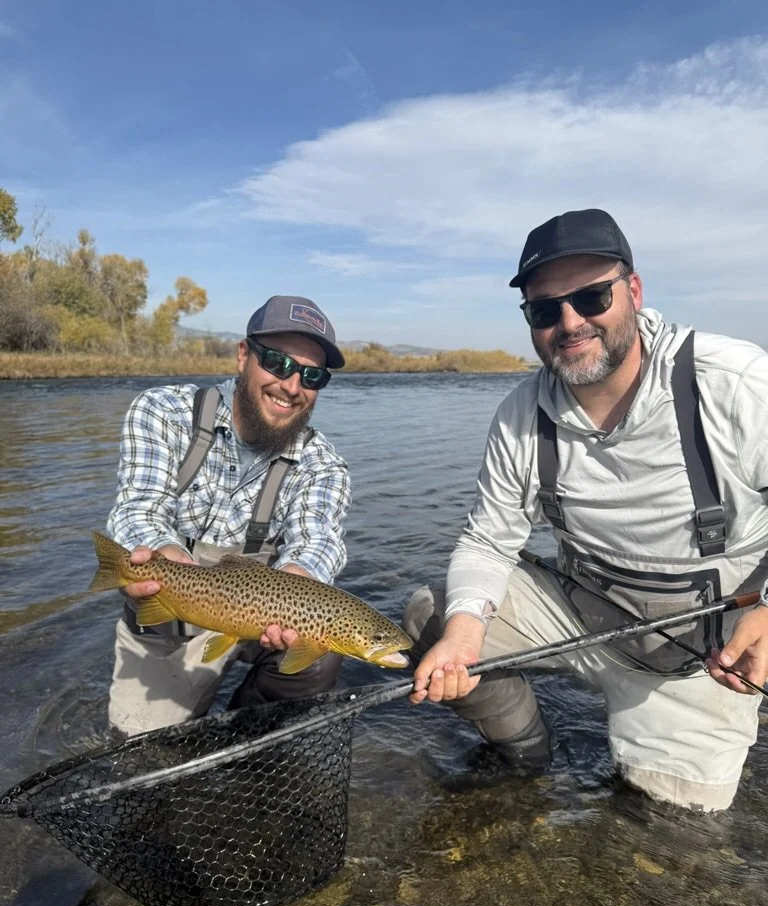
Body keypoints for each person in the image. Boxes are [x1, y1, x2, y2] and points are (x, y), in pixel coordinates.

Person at [404, 208, 768, 813]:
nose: (570, 323)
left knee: (673, 832)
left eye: (592, 297)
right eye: (545, 310)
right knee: (434, 619)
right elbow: (489, 540)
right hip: (579, 615)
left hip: (706, 657)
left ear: (633, 291)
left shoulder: (737, 384)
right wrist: (464, 637)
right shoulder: (521, 414)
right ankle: (529, 759)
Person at [106, 294, 351, 736]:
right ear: (243, 356)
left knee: (320, 654)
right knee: (138, 757)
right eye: (277, 362)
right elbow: (139, 508)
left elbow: (319, 541)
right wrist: (162, 553)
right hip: (169, 621)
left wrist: (302, 577)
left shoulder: (323, 464)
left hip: (259, 624)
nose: (292, 387)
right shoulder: (162, 412)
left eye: (312, 375)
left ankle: (240, 741)